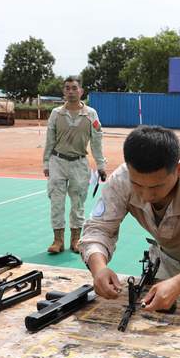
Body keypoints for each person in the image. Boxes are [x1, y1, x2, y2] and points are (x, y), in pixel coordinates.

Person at [78, 125, 180, 312]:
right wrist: (99, 270)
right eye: (137, 184)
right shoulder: (121, 180)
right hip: (165, 262)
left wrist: (178, 284)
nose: (146, 196)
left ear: (179, 170)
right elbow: (98, 229)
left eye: (157, 186)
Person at [43, 76, 106, 254]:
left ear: (81, 91)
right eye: (68, 88)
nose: (71, 91)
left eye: (74, 88)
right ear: (63, 92)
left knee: (78, 203)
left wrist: (101, 165)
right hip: (58, 162)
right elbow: (49, 140)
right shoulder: (56, 114)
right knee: (56, 202)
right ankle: (58, 240)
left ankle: (76, 239)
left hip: (79, 164)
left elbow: (96, 142)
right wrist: (46, 162)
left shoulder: (91, 114)